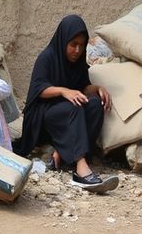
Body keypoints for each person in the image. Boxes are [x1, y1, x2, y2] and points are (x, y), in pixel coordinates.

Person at [13, 15, 117, 192]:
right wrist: (63, 91)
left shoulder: (77, 64)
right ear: (63, 40)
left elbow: (83, 89)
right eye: (73, 44)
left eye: (81, 45)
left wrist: (99, 88)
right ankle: (80, 169)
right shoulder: (47, 57)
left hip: (68, 118)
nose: (77, 50)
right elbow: (38, 89)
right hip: (43, 116)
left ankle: (62, 151)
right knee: (73, 107)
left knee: (93, 105)